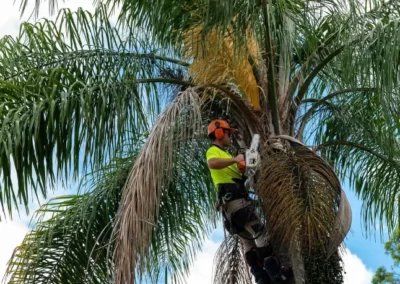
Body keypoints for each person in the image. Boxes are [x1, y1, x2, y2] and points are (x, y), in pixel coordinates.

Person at [205, 119, 292, 284]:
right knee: (261, 233)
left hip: (231, 210)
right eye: (228, 133)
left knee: (248, 243)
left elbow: (239, 178)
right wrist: (236, 160)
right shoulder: (213, 151)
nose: (230, 136)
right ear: (219, 133)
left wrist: (250, 166)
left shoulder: (226, 155)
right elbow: (212, 164)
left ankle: (261, 278)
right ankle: (276, 274)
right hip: (238, 205)